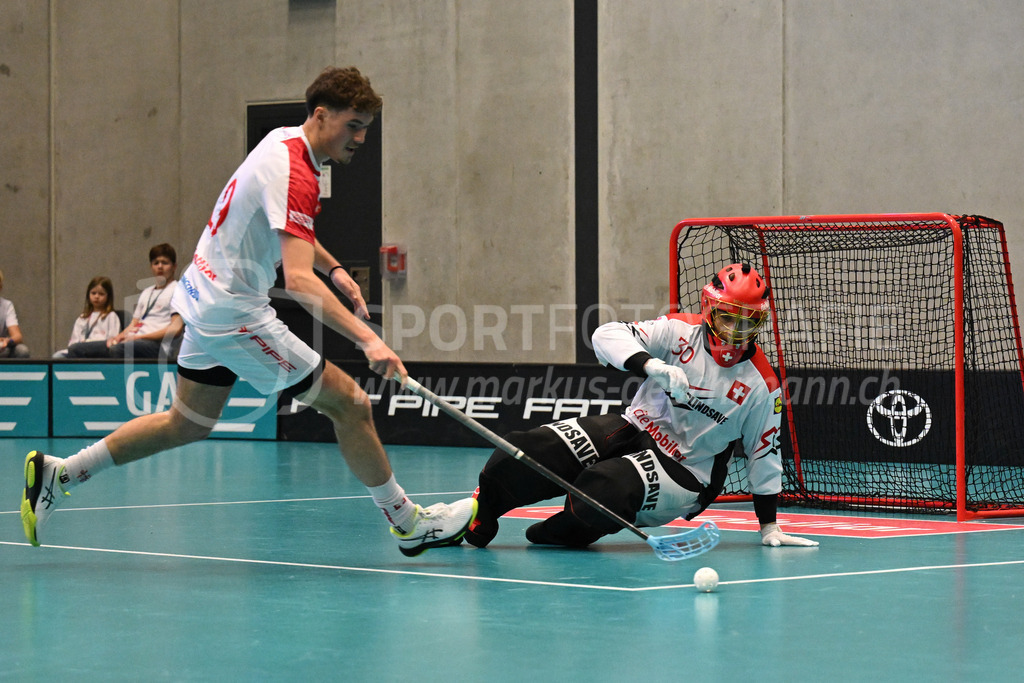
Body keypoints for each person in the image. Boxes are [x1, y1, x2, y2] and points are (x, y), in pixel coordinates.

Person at [21, 66, 476, 556]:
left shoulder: (281, 140)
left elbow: (287, 231)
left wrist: (335, 268)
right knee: (351, 404)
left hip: (201, 297)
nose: (361, 138)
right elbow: (297, 281)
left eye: (366, 127)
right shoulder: (297, 174)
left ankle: (61, 473)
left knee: (187, 422)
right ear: (322, 115)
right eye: (354, 125)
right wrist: (370, 340)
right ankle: (408, 522)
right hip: (233, 314)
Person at [464, 263, 819, 551]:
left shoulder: (763, 385)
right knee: (527, 449)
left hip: (687, 471)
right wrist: (650, 365)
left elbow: (764, 453)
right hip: (634, 428)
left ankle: (557, 532)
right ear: (710, 309)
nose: (737, 332)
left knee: (604, 489)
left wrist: (769, 526)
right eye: (729, 318)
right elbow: (605, 335)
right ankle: (478, 515)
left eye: (749, 322)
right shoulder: (678, 330)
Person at [67, 244, 182, 360]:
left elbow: (175, 329)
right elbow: (133, 324)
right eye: (156, 263)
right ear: (151, 266)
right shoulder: (147, 292)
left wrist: (139, 337)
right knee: (76, 349)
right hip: (134, 341)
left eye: (165, 263)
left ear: (174, 267)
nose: (160, 266)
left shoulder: (178, 290)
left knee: (118, 349)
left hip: (158, 346)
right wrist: (117, 338)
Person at [53, 276, 122, 358]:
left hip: (99, 351)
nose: (96, 297)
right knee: (57, 356)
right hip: (79, 350)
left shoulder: (111, 316)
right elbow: (74, 341)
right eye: (93, 293)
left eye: (101, 294)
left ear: (108, 297)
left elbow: (112, 341)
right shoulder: (82, 317)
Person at [0, 269, 31, 358]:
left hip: (2, 348)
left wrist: (8, 341)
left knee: (22, 350)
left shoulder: (7, 305)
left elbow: (17, 336)